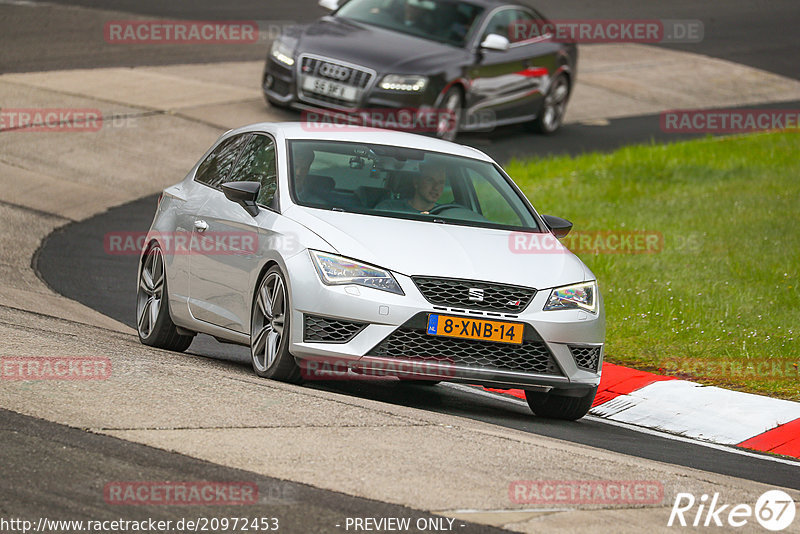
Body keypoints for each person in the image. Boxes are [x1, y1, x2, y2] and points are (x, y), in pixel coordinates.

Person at [377, 160, 447, 214]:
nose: (436, 187)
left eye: (441, 182)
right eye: (430, 180)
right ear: (416, 182)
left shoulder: (446, 214)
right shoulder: (388, 209)